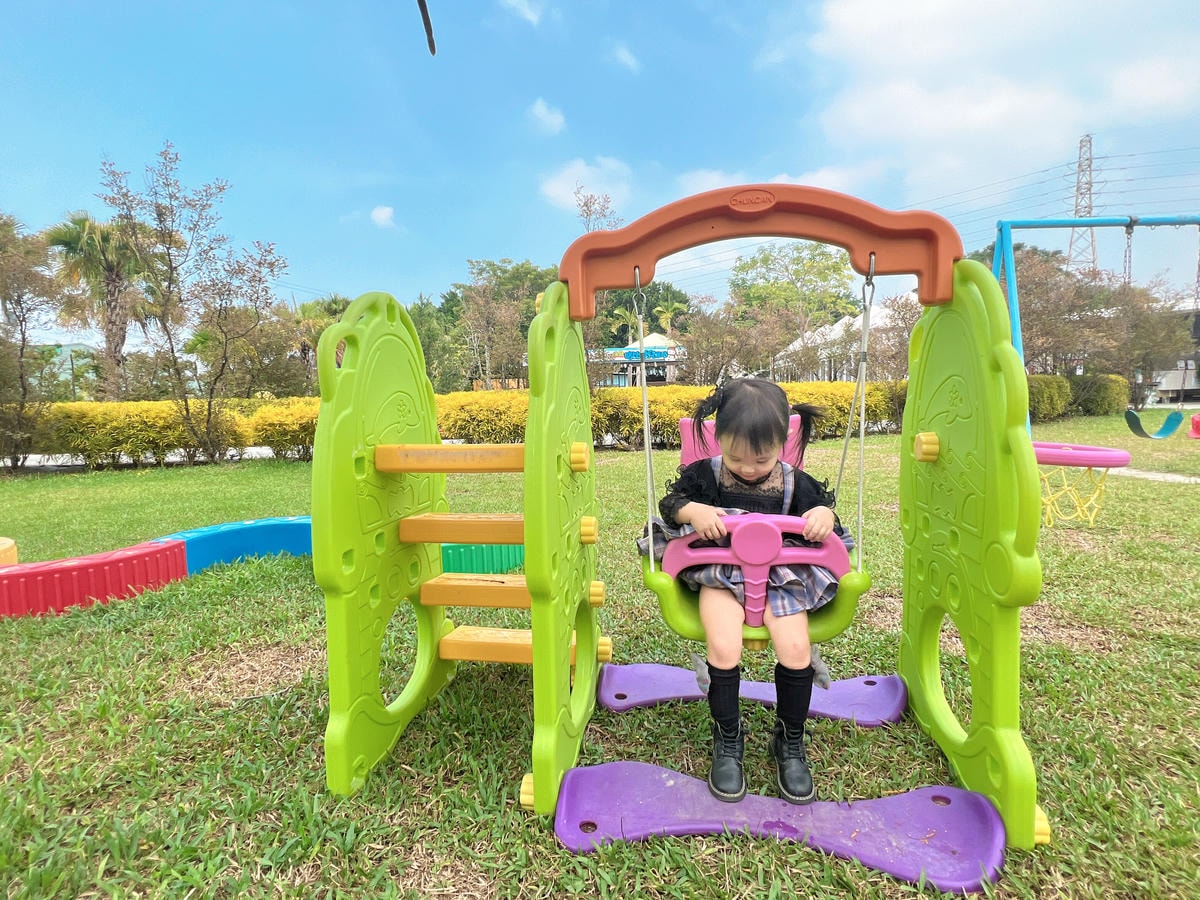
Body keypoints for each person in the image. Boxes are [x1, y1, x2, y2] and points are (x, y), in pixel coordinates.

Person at [642, 378, 848, 805]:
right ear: (718, 438)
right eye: (736, 457)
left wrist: (822, 517)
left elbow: (824, 511)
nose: (749, 468)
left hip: (781, 577)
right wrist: (693, 510)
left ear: (782, 442)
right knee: (723, 646)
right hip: (720, 573)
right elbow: (672, 505)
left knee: (796, 649)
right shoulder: (707, 474)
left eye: (762, 458)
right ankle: (728, 739)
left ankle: (789, 741)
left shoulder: (794, 482)